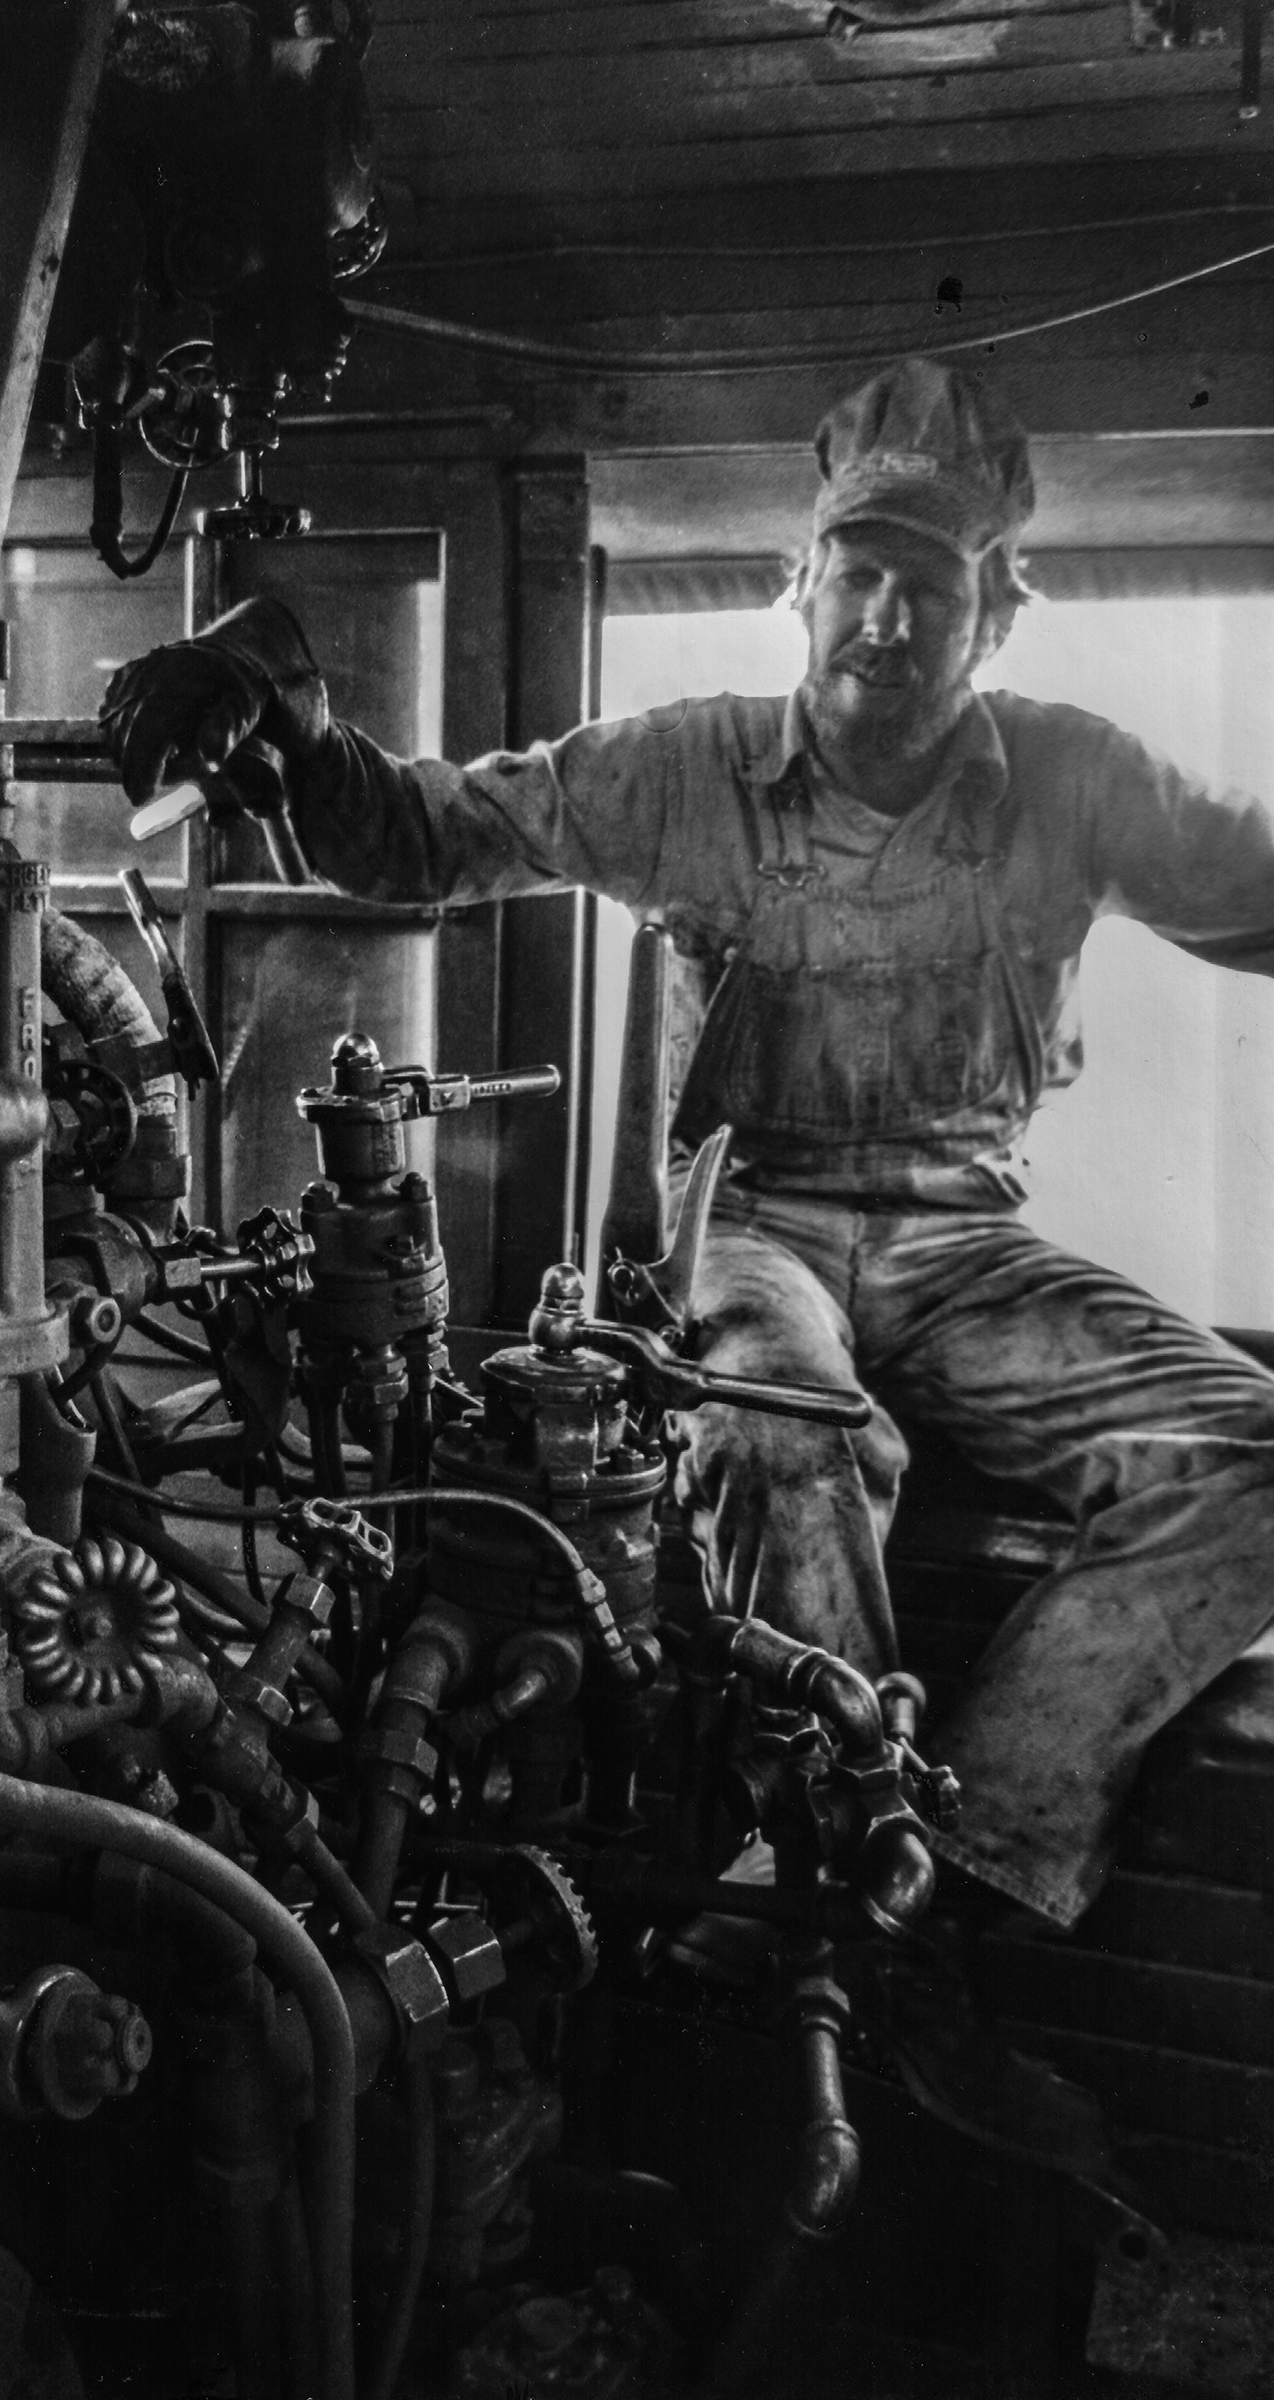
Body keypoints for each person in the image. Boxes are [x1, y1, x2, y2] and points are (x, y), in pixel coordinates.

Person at [101, 358, 1274, 2171]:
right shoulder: (683, 768)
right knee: (789, 1440)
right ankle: (833, 1902)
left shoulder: (1076, 779)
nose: (887, 616)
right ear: (801, 584)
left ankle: (947, 1874)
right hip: (761, 1227)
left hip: (970, 1237)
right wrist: (279, 721)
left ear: (995, 614)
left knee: (1251, 1452)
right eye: (858, 573)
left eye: (932, 585)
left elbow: (1262, 887)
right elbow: (423, 837)